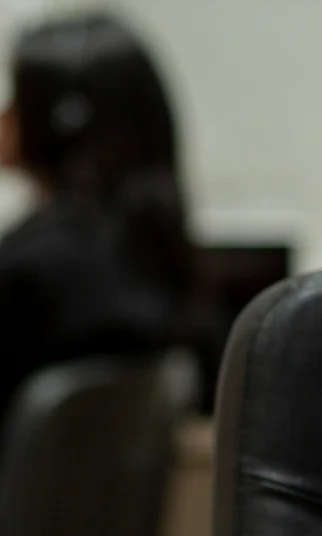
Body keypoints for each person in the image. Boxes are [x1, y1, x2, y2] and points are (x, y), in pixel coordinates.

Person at [0, 11, 201, 423]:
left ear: (61, 120)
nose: (5, 116)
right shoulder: (153, 249)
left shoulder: (34, 266)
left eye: (18, 98)